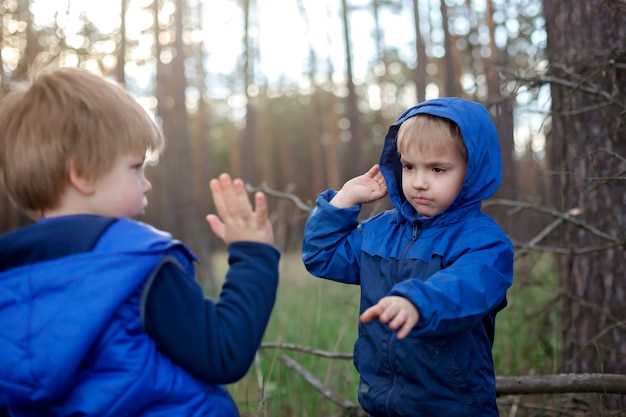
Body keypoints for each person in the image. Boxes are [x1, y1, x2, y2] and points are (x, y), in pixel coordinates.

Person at [0, 67, 279, 417]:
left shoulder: (10, 283)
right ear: (82, 174)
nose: (146, 184)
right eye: (135, 168)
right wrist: (254, 255)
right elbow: (224, 352)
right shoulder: (137, 267)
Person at [303, 97, 514, 416]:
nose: (418, 182)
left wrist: (415, 302)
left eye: (438, 169)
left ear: (471, 172)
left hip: (454, 405)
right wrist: (344, 200)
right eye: (408, 166)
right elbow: (322, 255)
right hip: (384, 403)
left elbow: (465, 288)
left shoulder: (485, 243)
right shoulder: (380, 232)